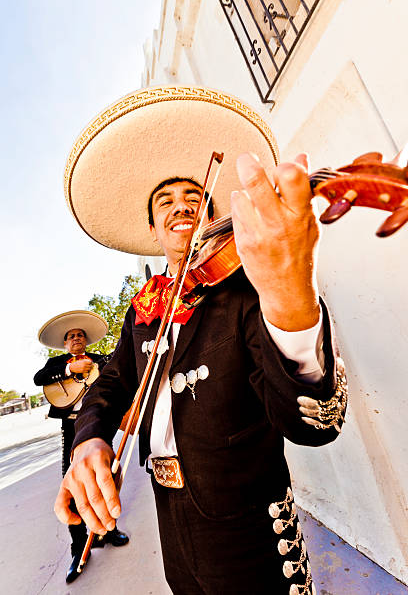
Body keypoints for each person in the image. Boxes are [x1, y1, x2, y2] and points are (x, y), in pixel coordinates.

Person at [54, 86, 347, 594]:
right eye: (165, 202)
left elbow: (314, 426)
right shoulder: (144, 310)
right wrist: (89, 441)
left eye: (195, 198)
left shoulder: (247, 291)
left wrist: (288, 291)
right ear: (153, 226)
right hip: (174, 522)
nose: (180, 206)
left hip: (248, 527)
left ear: (213, 219)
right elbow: (111, 385)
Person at [34, 310, 129, 584]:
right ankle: (78, 548)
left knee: (105, 477)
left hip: (99, 427)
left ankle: (108, 531)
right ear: (65, 344)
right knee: (73, 486)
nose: (76, 338)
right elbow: (39, 379)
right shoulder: (57, 363)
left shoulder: (99, 360)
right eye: (71, 336)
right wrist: (68, 370)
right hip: (71, 429)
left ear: (85, 341)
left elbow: (119, 368)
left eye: (80, 335)